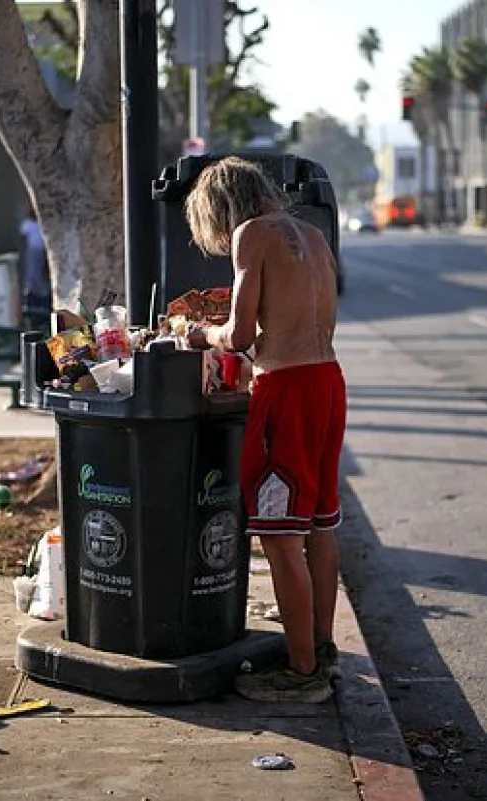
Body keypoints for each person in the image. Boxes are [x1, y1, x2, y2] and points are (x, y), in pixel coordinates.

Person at [184, 157, 346, 704]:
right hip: (328, 381)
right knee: (320, 526)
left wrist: (197, 335)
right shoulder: (314, 237)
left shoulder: (252, 235)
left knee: (280, 537)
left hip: (287, 393)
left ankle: (301, 672)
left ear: (225, 207)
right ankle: (321, 648)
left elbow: (241, 330)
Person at [19, 204, 50, 327]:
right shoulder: (29, 226)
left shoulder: (37, 226)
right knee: (34, 279)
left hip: (43, 254)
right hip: (35, 254)